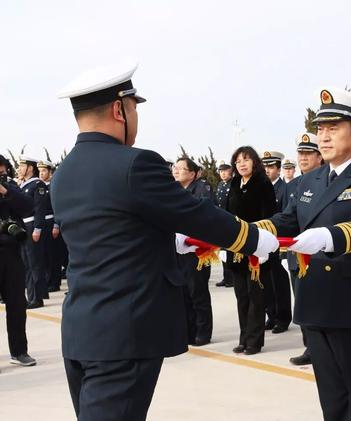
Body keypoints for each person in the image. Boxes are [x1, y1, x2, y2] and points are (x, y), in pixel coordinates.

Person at [51, 62, 278, 421]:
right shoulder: (135, 164)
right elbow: (195, 214)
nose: (136, 117)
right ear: (119, 109)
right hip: (125, 334)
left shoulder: (64, 173)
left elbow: (109, 234)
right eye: (134, 108)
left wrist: (169, 241)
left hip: (82, 329)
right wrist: (252, 239)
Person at [257, 87, 351, 420]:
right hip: (316, 303)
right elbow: (287, 220)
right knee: (333, 402)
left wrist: (327, 236)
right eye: (321, 128)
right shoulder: (309, 181)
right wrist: (247, 232)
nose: (323, 136)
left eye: (333, 128)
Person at [225, 146, 277, 355]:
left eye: (246, 159)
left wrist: (262, 244)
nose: (242, 164)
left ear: (254, 162)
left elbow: (269, 216)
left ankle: (254, 341)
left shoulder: (263, 183)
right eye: (238, 161)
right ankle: (244, 338)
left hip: (257, 246)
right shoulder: (234, 183)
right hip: (236, 247)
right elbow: (227, 214)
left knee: (256, 296)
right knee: (241, 296)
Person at [286, 132, 323, 366]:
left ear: (320, 157)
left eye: (309, 153)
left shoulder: (329, 181)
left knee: (320, 306)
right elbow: (287, 218)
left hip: (320, 257)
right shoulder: (294, 185)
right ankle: (309, 347)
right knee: (301, 305)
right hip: (296, 257)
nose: (303, 157)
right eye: (301, 153)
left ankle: (321, 348)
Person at [0, 155, 37, 367]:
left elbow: (28, 207)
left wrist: (5, 191)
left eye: (3, 173)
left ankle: (19, 351)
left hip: (11, 253)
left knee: (16, 303)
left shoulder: (9, 189)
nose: (2, 176)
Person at [173, 157, 215, 346]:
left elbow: (204, 216)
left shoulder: (201, 189)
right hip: (178, 249)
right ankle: (189, 331)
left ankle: (203, 332)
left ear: (192, 173)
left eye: (181, 168)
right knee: (183, 293)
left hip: (196, 250)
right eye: (175, 167)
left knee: (198, 292)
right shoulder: (174, 191)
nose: (176, 171)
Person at [262, 151, 292, 333]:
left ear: (279, 169)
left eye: (271, 167)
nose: (267, 170)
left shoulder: (285, 189)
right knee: (266, 281)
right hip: (263, 242)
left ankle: (283, 317)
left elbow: (287, 216)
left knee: (278, 281)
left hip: (278, 241)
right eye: (264, 166)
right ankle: (271, 315)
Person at [17, 156, 49, 309]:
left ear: (30, 168)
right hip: (23, 226)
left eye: (22, 166)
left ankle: (38, 298)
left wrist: (37, 228)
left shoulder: (37, 184)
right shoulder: (23, 185)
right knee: (27, 264)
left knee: (35, 263)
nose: (19, 169)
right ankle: (31, 296)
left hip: (32, 226)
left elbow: (40, 208)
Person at [38, 160, 63, 293]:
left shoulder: (54, 185)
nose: (41, 173)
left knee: (54, 254)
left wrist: (56, 225)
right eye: (40, 171)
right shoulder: (39, 186)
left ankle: (55, 281)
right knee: (46, 255)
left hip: (52, 221)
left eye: (44, 171)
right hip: (43, 223)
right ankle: (48, 280)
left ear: (50, 172)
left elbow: (57, 206)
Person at [214, 160, 235, 287]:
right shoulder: (220, 184)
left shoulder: (234, 184)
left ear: (231, 172)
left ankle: (232, 278)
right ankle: (226, 278)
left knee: (230, 251)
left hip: (230, 221)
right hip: (221, 221)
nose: (223, 174)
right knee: (223, 252)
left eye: (225, 171)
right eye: (221, 171)